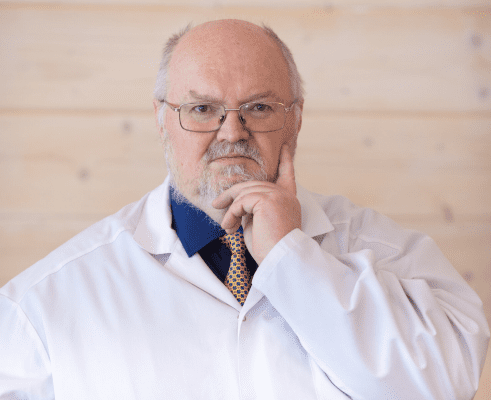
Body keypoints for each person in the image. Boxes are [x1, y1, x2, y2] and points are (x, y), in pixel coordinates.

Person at [0, 19, 488, 400]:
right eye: (202, 109)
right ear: (161, 118)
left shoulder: (393, 256)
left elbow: (445, 385)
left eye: (259, 107)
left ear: (295, 119)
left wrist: (291, 258)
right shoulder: (43, 303)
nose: (232, 132)